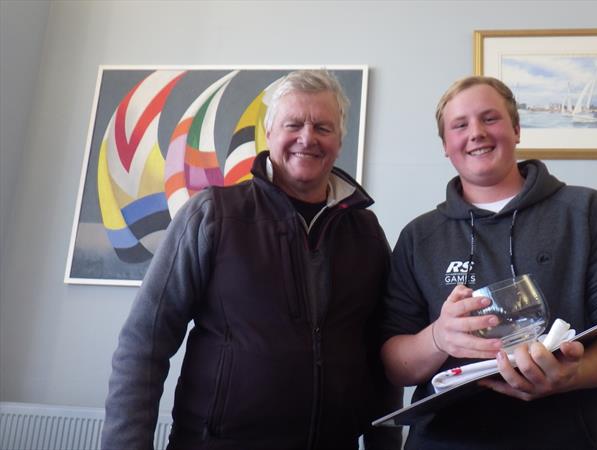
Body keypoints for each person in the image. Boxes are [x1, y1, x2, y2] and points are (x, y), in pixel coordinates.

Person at [102, 70, 401, 450]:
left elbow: (380, 351)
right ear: (270, 133)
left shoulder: (365, 230)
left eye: (322, 127)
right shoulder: (211, 214)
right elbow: (144, 343)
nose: (307, 138)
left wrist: (386, 444)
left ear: (339, 141)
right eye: (293, 124)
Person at [379, 76, 597, 449]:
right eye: (460, 125)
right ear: (446, 145)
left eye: (490, 119)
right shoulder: (419, 236)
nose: (476, 133)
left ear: (517, 129)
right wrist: (439, 337)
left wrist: (570, 375)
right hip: (445, 440)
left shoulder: (586, 211)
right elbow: (395, 364)